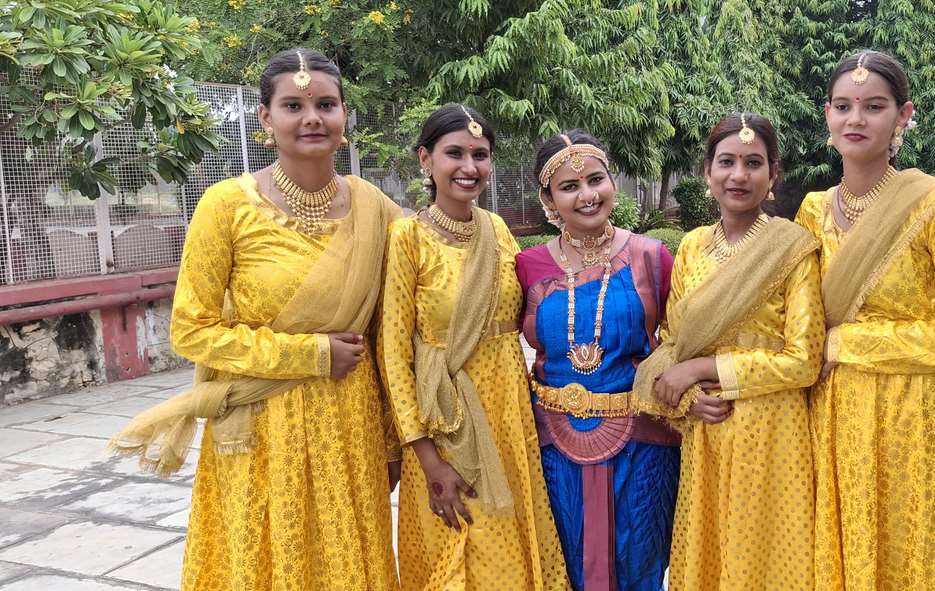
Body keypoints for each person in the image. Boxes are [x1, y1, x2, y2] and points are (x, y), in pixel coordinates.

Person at [110, 47, 402, 591]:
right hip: (262, 423)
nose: (312, 118)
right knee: (264, 561)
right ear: (266, 118)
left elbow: (391, 331)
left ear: (344, 114)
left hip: (349, 424)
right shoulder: (226, 205)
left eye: (326, 104)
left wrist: (393, 438)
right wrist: (310, 354)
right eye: (293, 105)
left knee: (347, 563)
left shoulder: (375, 208)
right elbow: (191, 329)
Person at [794, 50, 935, 590]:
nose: (856, 119)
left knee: (917, 551)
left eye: (874, 106)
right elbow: (794, 318)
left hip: (915, 414)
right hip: (832, 414)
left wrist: (846, 343)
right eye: (843, 106)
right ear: (827, 114)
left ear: (903, 116)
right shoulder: (812, 211)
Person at [377, 103, 567, 590]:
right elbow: (394, 355)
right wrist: (427, 458)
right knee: (460, 545)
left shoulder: (496, 229)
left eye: (480, 155)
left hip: (509, 417)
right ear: (426, 159)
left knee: (511, 544)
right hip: (446, 423)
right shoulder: (407, 238)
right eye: (455, 153)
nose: (469, 167)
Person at [643, 112, 824, 590]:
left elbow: (803, 360)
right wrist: (686, 398)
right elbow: (672, 343)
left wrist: (705, 368)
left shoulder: (793, 249)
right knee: (709, 560)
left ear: (773, 174)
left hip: (773, 434)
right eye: (726, 162)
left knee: (768, 562)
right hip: (707, 431)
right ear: (707, 172)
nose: (738, 175)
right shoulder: (691, 247)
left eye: (753, 162)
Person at [515, 130, 680, 591]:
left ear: (612, 181)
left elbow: (682, 341)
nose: (587, 195)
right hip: (554, 444)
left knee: (640, 561)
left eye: (595, 180)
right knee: (567, 564)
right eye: (569, 187)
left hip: (644, 442)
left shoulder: (652, 257)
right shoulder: (527, 266)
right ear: (549, 200)